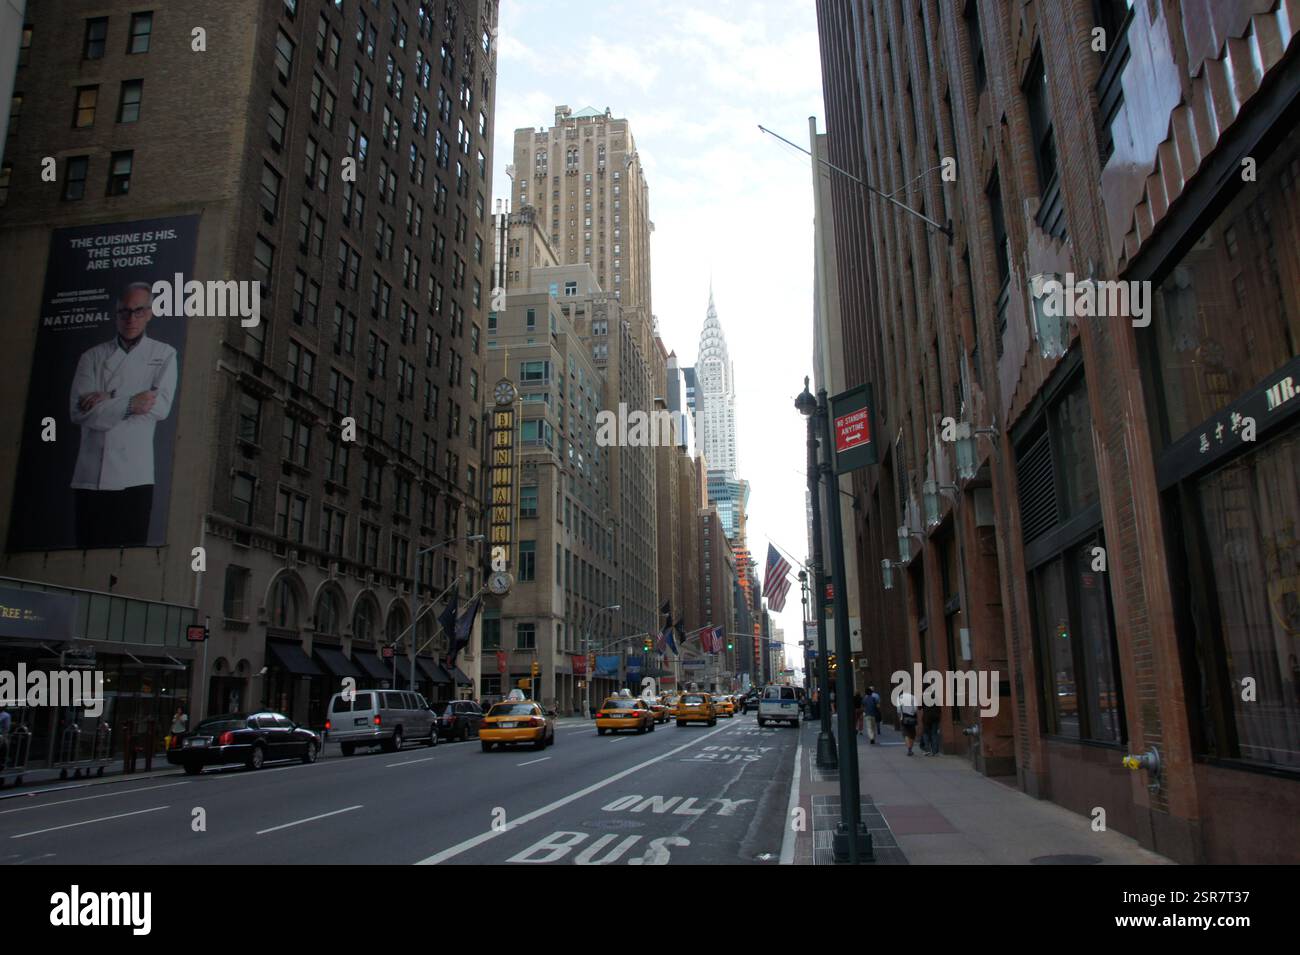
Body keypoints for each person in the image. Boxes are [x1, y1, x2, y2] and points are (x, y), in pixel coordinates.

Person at [69, 282, 178, 548]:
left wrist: (108, 396)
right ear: (116, 314)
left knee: (127, 558)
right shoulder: (92, 357)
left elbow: (160, 407)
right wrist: (131, 402)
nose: (131, 318)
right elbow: (79, 412)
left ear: (150, 313)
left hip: (135, 477)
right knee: (87, 553)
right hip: (91, 476)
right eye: (124, 312)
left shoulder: (164, 354)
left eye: (139, 311)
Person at [898, 691, 918, 755]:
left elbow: (898, 710)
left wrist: (900, 717)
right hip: (912, 717)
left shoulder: (900, 698)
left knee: (906, 733)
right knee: (912, 734)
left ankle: (909, 749)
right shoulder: (913, 697)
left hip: (904, 717)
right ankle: (911, 749)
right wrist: (912, 712)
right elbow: (915, 709)